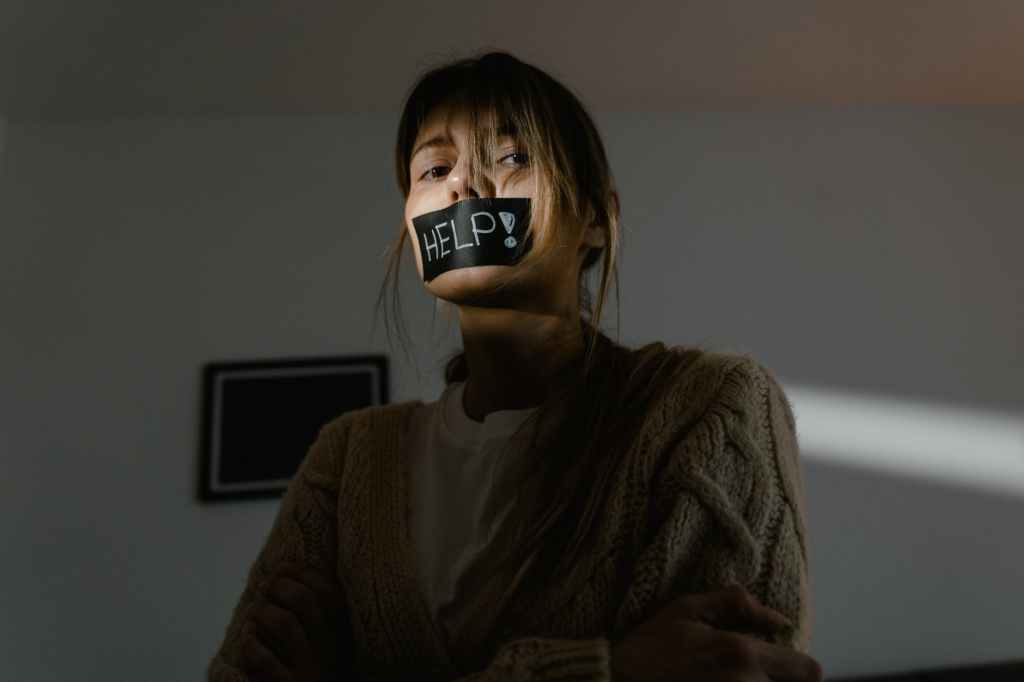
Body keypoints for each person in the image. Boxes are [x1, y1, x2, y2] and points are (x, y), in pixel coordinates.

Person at [208, 50, 823, 682]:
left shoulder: (711, 408)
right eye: (435, 167)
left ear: (594, 218)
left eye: (510, 157)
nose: (463, 186)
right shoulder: (345, 462)